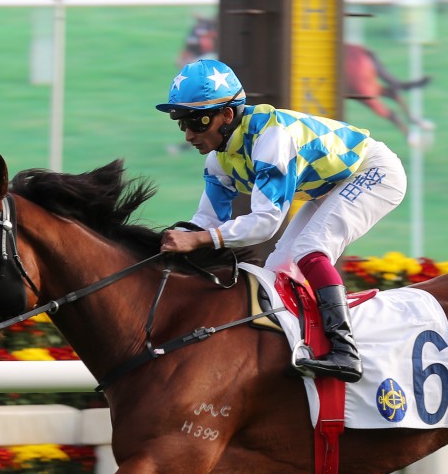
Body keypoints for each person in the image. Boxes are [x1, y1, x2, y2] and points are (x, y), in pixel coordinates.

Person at [156, 58, 407, 384]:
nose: (189, 134)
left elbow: (265, 222)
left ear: (228, 115)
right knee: (278, 268)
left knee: (309, 249)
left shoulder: (271, 138)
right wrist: (172, 239)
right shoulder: (219, 160)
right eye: (182, 124)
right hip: (331, 186)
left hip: (374, 172)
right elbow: (206, 220)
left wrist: (201, 239)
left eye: (198, 122)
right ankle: (298, 344)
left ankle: (345, 351)